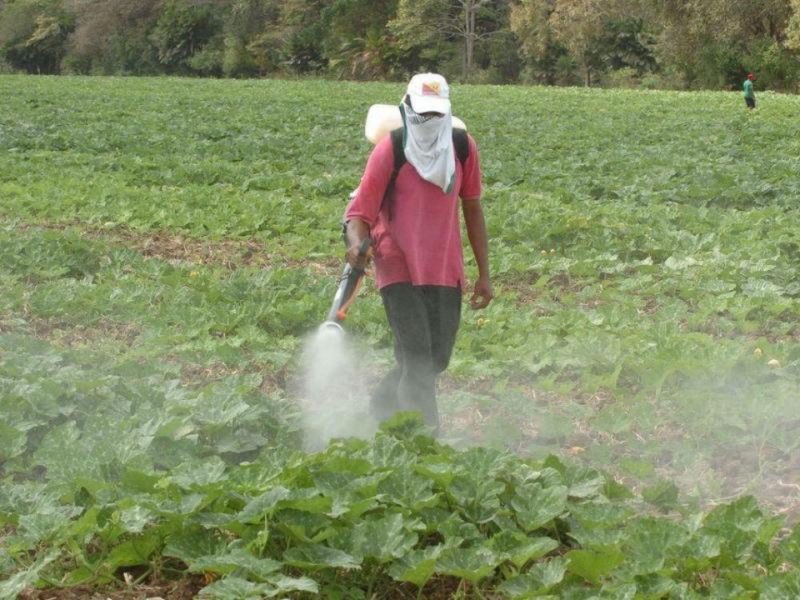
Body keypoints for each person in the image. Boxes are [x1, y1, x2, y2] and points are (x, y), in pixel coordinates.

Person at [344, 73, 493, 433]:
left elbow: (472, 208)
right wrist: (356, 247)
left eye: (435, 114)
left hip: (444, 266)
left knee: (435, 359)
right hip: (398, 265)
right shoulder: (391, 150)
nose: (428, 122)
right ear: (407, 107)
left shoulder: (461, 148)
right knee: (416, 360)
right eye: (422, 113)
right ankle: (425, 439)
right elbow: (358, 215)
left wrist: (485, 274)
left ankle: (382, 407)